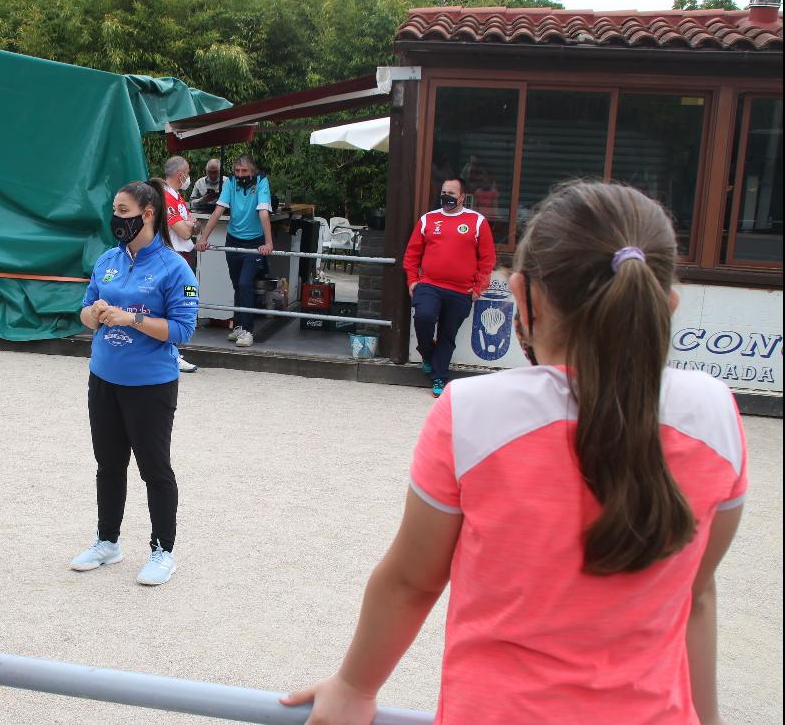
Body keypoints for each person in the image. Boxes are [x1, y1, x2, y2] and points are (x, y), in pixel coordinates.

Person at [283, 181, 747, 725]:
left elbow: (413, 581)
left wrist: (356, 686)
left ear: (524, 297)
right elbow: (697, 592)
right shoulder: (714, 413)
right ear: (666, 302)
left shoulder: (476, 412)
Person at [70, 178, 198, 586]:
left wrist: (131, 318)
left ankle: (163, 551)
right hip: (103, 377)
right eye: (114, 212)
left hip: (151, 386)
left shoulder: (175, 268)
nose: (115, 219)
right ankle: (108, 541)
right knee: (108, 464)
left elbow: (183, 330)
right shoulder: (108, 259)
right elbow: (85, 313)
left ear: (148, 214)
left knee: (154, 468)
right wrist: (96, 314)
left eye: (123, 212)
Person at [403, 177, 495, 397]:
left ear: (462, 197)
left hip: (461, 290)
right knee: (424, 317)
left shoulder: (477, 221)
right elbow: (412, 254)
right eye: (444, 192)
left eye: (451, 194)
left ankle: (439, 377)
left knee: (447, 335)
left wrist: (478, 288)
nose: (446, 197)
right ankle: (427, 353)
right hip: (429, 285)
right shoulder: (428, 219)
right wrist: (412, 280)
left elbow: (487, 258)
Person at [195, 154, 273, 348]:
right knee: (237, 285)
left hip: (254, 242)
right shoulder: (230, 182)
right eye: (237, 171)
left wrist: (269, 243)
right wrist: (204, 238)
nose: (240, 174)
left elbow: (263, 212)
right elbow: (218, 210)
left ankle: (248, 329)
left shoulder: (261, 181)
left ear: (252, 171)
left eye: (244, 171)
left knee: (245, 283)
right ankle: (239, 325)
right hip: (233, 239)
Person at [162, 155, 199, 374]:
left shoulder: (177, 197)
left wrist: (191, 225)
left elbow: (192, 225)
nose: (189, 178)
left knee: (180, 304)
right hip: (174, 258)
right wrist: (192, 225)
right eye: (187, 173)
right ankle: (171, 354)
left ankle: (172, 352)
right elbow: (185, 230)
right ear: (181, 175)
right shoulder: (166, 198)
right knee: (173, 306)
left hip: (182, 257)